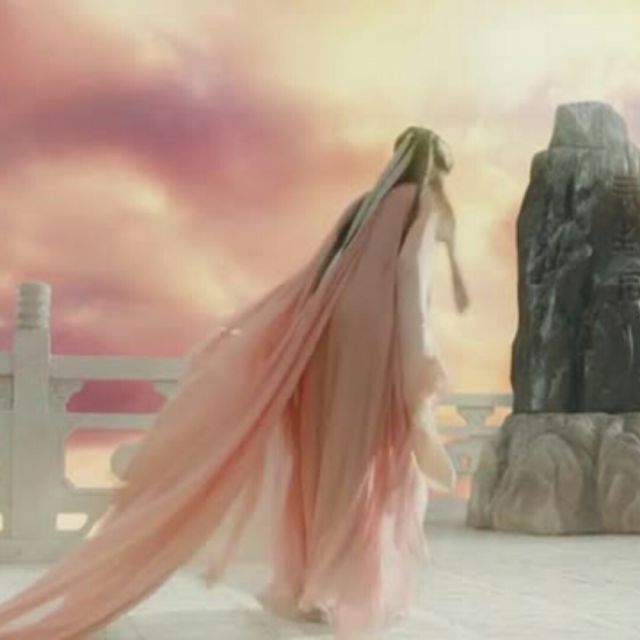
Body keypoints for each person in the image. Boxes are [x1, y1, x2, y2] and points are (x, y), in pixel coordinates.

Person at [0, 126, 468, 639]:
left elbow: (323, 271)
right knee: (362, 462)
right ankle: (340, 588)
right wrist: (421, 358)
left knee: (322, 460)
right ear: (438, 170)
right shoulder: (425, 203)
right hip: (375, 337)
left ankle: (306, 587)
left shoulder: (366, 204)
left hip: (327, 332)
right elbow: (410, 273)